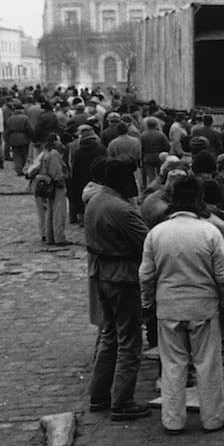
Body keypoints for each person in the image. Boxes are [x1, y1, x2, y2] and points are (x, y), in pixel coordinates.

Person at [139, 175, 224, 435]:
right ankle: (213, 418)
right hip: (203, 308)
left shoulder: (156, 233)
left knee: (172, 364)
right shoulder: (209, 232)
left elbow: (146, 275)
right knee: (208, 363)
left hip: (168, 307)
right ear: (199, 199)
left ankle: (172, 420)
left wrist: (148, 303)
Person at [85, 157, 151, 421]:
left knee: (110, 335)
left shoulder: (96, 201)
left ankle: (99, 395)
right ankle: (122, 401)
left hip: (102, 274)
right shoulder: (122, 209)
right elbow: (148, 243)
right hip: (123, 278)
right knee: (129, 341)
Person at [27, 133, 70, 246]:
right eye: (59, 140)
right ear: (55, 141)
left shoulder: (45, 153)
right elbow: (57, 172)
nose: (60, 142)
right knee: (59, 212)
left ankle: (50, 237)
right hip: (56, 186)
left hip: (47, 185)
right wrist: (62, 181)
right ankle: (59, 237)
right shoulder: (54, 154)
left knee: (50, 212)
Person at [139, 117, 171, 191]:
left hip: (147, 157)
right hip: (159, 157)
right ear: (156, 124)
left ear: (147, 125)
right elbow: (167, 146)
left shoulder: (143, 135)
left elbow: (141, 147)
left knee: (151, 177)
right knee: (161, 175)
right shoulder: (161, 135)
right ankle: (160, 190)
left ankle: (151, 190)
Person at [5, 104, 34, 175]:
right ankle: (24, 168)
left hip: (13, 138)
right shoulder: (25, 118)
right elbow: (29, 129)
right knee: (24, 154)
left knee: (16, 154)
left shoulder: (10, 118)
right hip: (23, 137)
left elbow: (7, 131)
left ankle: (18, 169)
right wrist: (32, 136)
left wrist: (7, 139)